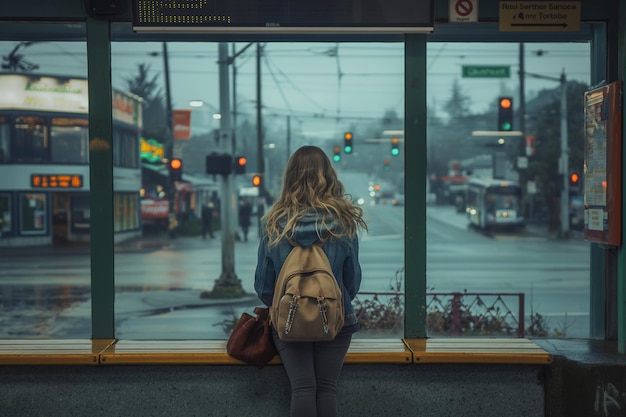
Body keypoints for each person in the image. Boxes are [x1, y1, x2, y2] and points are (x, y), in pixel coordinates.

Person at [254, 145, 367, 417]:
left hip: (289, 316)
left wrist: (288, 303)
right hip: (337, 319)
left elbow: (263, 286)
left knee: (302, 388)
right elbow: (352, 282)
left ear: (290, 177)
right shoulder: (343, 221)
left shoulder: (273, 222)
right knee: (327, 388)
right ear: (328, 176)